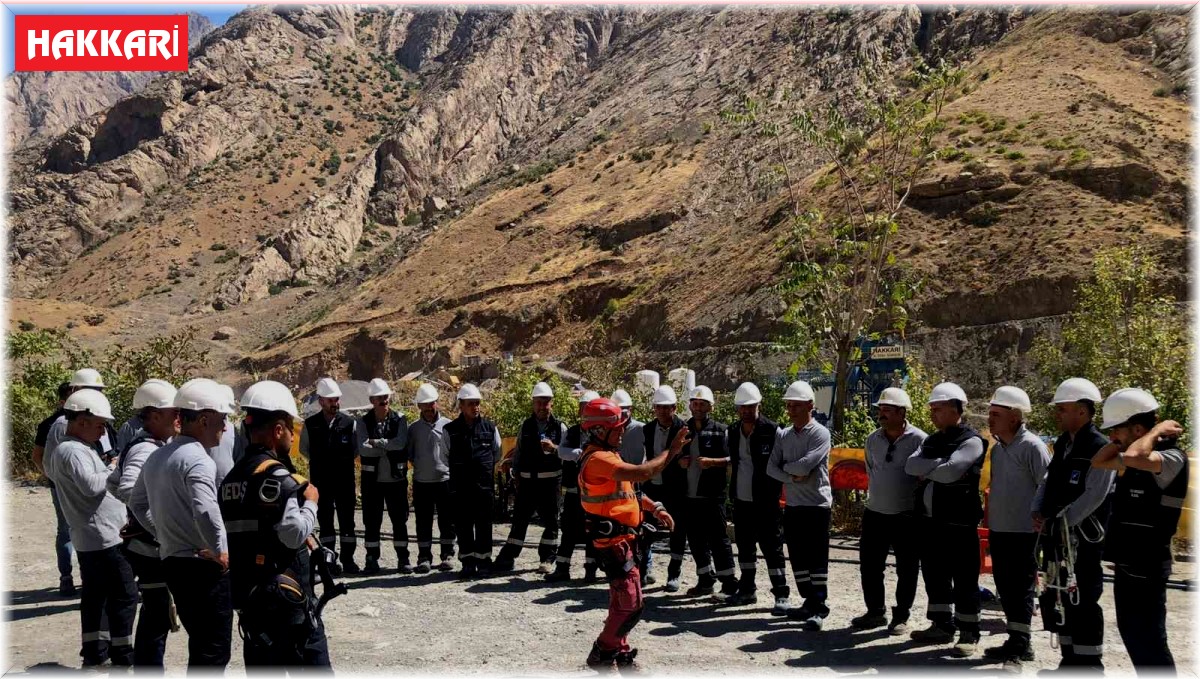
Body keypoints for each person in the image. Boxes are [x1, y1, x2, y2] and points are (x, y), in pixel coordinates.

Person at [220, 380, 333, 670]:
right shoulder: (277, 477)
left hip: (251, 602)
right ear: (278, 430)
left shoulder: (232, 478)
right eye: (291, 429)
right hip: (287, 603)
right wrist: (312, 502)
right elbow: (293, 534)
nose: (293, 436)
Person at [578, 397, 690, 670]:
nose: (622, 434)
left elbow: (630, 490)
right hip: (612, 543)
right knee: (631, 603)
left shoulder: (610, 455)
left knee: (622, 600)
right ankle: (602, 652)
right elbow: (643, 472)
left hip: (626, 540)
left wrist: (655, 508)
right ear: (599, 430)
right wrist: (672, 451)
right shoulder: (597, 459)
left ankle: (621, 652)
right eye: (617, 429)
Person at [130, 378, 233, 669]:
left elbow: (137, 503)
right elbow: (205, 510)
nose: (225, 427)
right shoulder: (199, 460)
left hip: (173, 562)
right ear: (204, 420)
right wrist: (219, 551)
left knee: (200, 644)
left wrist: (163, 534)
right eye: (222, 419)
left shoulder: (158, 456)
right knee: (213, 652)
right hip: (203, 566)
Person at [1093, 388, 1187, 674]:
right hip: (1128, 564)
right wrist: (1120, 439)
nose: (1112, 436)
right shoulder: (1137, 458)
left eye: (1116, 429)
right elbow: (1099, 460)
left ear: (1137, 429)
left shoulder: (1170, 458)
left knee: (1151, 641)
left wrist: (1155, 430)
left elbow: (1134, 454)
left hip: (1149, 566)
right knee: (1133, 636)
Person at [43, 389, 137, 667]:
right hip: (103, 538)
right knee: (124, 596)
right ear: (82, 421)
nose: (102, 431)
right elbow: (91, 486)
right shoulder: (72, 450)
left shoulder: (75, 449)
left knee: (98, 597)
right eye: (99, 425)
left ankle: (96, 655)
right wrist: (115, 468)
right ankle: (122, 656)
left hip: (94, 537)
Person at [1033, 378, 1114, 672]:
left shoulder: (1099, 447)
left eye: (1063, 409)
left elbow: (1095, 494)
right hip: (1058, 537)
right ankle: (1069, 662)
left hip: (1081, 540)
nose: (1058, 414)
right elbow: (1048, 479)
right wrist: (1038, 510)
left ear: (1081, 411)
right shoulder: (1064, 444)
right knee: (1060, 595)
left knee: (1084, 598)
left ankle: (1089, 666)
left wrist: (1061, 522)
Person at [905, 382, 986, 657]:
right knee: (934, 575)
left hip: (958, 523)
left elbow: (952, 472)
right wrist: (940, 465)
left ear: (954, 409)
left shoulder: (971, 441)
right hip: (930, 522)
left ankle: (969, 632)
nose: (932, 414)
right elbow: (910, 466)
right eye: (931, 409)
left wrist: (930, 469)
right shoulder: (931, 440)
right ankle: (941, 625)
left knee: (964, 579)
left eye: (937, 409)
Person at [106, 379, 179, 669]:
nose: (178, 417)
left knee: (155, 612)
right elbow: (125, 487)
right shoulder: (146, 449)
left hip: (143, 543)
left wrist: (138, 516)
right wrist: (155, 524)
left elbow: (113, 483)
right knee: (157, 615)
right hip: (150, 548)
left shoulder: (143, 444)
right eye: (173, 412)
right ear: (155, 415)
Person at [982, 386, 1051, 670]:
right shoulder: (998, 450)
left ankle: (1022, 645)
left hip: (1024, 532)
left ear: (1014, 417)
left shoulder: (1033, 447)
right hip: (1000, 530)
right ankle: (1015, 639)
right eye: (990, 414)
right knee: (1005, 587)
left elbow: (1046, 486)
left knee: (1021, 588)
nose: (990, 419)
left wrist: (1041, 519)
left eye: (996, 414)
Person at [852, 387, 925, 635]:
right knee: (870, 566)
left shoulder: (920, 440)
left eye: (887, 410)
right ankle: (875, 612)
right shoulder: (872, 439)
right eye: (880, 409)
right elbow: (871, 470)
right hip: (875, 513)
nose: (881, 414)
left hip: (906, 515)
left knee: (907, 568)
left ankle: (901, 616)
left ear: (902, 412)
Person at [766, 380, 833, 630]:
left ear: (809, 406)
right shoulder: (783, 435)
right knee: (798, 556)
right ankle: (808, 601)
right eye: (789, 405)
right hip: (793, 505)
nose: (791, 410)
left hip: (816, 505)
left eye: (796, 405)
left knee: (817, 557)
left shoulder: (820, 433)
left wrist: (787, 469)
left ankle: (819, 606)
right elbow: (771, 468)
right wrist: (791, 476)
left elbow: (806, 466)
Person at [726, 382, 790, 612]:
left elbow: (783, 462)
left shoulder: (773, 431)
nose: (746, 411)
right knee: (745, 547)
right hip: (742, 500)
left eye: (750, 406)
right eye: (742, 407)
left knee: (772, 547)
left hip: (766, 501)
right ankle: (747, 590)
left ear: (758, 405)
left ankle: (781, 594)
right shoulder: (733, 431)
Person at [495, 382, 567, 573]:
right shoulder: (526, 426)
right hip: (527, 482)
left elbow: (567, 454)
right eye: (538, 402)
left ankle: (547, 559)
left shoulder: (560, 427)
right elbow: (518, 452)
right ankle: (508, 557)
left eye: (545, 402)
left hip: (550, 482)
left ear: (551, 403)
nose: (542, 406)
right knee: (520, 520)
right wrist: (516, 474)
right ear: (533, 404)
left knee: (551, 522)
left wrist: (554, 448)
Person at [301, 377, 360, 575]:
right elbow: (304, 449)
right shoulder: (310, 424)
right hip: (321, 482)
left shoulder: (349, 423)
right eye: (331, 400)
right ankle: (329, 561)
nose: (335, 403)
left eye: (336, 400)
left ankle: (348, 560)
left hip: (344, 482)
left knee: (347, 522)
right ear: (321, 401)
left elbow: (355, 450)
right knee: (325, 522)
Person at [444, 383, 502, 578]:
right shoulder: (450, 430)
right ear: (461, 405)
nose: (475, 407)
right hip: (461, 488)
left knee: (484, 525)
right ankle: (468, 563)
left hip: (483, 488)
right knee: (463, 525)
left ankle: (484, 562)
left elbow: (497, 453)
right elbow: (444, 456)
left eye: (477, 403)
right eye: (470, 403)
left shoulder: (490, 428)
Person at [357, 378, 410, 575]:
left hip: (396, 479)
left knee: (399, 519)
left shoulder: (400, 419)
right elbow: (363, 449)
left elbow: (400, 443)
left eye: (386, 396)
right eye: (380, 398)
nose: (384, 400)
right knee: (371, 521)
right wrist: (387, 445)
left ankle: (403, 558)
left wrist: (376, 442)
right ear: (372, 400)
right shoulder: (363, 422)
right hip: (372, 481)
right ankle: (371, 558)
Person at [549, 390, 601, 582]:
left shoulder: (602, 433)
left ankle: (591, 570)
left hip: (594, 492)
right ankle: (562, 568)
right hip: (573, 491)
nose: (584, 413)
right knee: (568, 530)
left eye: (588, 409)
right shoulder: (572, 431)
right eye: (582, 409)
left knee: (593, 531)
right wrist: (581, 453)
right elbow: (562, 452)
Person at [643, 386, 690, 592]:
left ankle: (674, 573)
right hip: (652, 486)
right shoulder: (647, 429)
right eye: (659, 407)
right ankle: (644, 569)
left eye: (667, 407)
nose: (662, 411)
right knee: (646, 529)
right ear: (654, 408)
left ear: (674, 408)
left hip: (675, 488)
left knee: (677, 530)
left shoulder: (684, 429)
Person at [33, 381, 77, 596]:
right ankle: (67, 577)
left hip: (64, 484)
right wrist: (54, 478)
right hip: (61, 486)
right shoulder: (50, 424)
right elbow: (37, 456)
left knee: (68, 531)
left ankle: (71, 578)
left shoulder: (84, 421)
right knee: (67, 530)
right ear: (62, 401)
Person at [407, 383, 456, 573]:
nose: (428, 408)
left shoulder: (448, 426)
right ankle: (424, 557)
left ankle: (447, 555)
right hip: (422, 483)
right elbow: (410, 454)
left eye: (431, 403)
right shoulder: (413, 429)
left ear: (437, 402)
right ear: (419, 406)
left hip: (445, 481)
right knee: (423, 522)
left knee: (447, 520)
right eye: (424, 405)